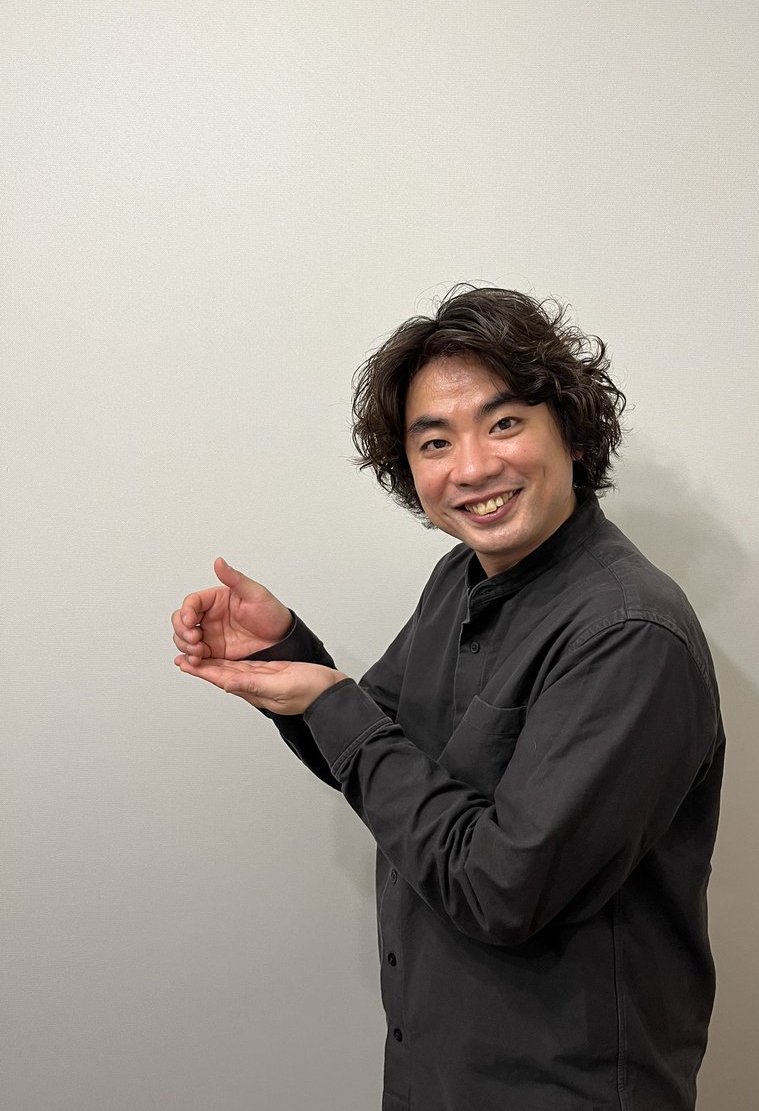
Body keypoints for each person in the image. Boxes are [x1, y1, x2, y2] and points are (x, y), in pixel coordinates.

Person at [172, 286, 725, 1111]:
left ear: (571, 431)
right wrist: (287, 655)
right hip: (438, 1069)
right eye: (435, 441)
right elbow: (381, 759)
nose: (470, 468)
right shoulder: (459, 578)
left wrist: (333, 703)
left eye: (503, 424)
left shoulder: (628, 631)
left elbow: (503, 887)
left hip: (561, 1086)